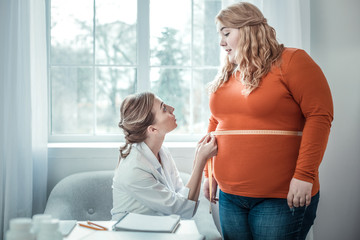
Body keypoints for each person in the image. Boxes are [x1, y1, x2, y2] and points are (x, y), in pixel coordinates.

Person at [202, 2, 333, 240]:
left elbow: (319, 116)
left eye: (226, 33)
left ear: (249, 29)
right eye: (219, 35)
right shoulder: (229, 72)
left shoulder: (293, 61)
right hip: (230, 197)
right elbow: (217, 123)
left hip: (280, 197)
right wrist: (207, 173)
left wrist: (305, 175)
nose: (221, 43)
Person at [111, 92, 217, 220]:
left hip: (158, 229)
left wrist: (199, 158)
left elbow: (180, 196)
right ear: (153, 129)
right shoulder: (134, 169)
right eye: (164, 108)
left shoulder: (162, 151)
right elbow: (182, 209)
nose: (172, 109)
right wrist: (201, 159)